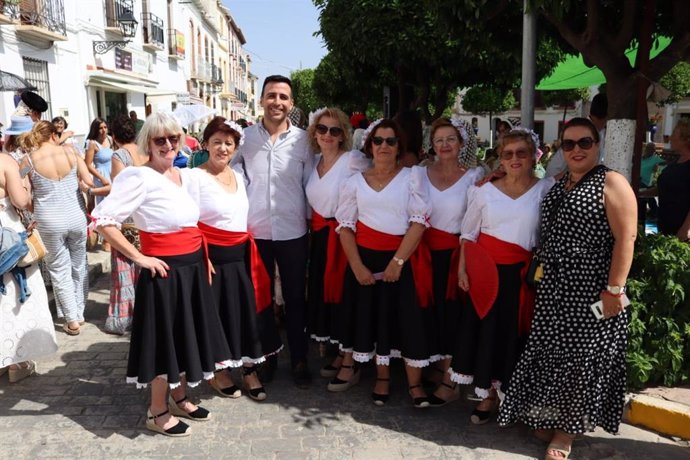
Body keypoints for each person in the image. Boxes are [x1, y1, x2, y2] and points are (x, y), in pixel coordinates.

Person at [498, 118, 637, 460]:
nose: (576, 150)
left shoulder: (612, 182)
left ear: (597, 145)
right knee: (551, 355)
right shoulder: (560, 183)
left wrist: (615, 289)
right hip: (554, 289)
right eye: (569, 144)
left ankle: (566, 433)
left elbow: (626, 238)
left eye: (584, 143)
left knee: (581, 362)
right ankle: (553, 416)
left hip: (591, 290)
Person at [92, 112, 233, 437]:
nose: (168, 145)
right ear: (148, 144)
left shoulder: (182, 175)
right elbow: (103, 220)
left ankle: (179, 395)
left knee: (186, 335)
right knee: (164, 340)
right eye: (160, 140)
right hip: (165, 273)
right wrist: (140, 257)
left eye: (173, 138)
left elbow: (188, 223)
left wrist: (203, 257)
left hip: (192, 269)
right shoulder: (137, 177)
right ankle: (156, 411)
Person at [451, 129, 554, 424]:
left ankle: (511, 398)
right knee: (487, 335)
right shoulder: (482, 190)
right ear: (500, 158)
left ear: (535, 155)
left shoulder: (546, 189)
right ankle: (487, 397)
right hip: (485, 272)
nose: (515, 159)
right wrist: (462, 271)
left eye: (522, 152)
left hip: (522, 276)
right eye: (508, 154)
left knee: (514, 336)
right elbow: (468, 234)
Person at [335, 119, 434, 408]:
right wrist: (356, 266)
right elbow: (345, 227)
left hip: (401, 260)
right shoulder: (353, 182)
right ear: (369, 145)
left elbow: (418, 223)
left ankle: (415, 384)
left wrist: (398, 261)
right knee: (374, 319)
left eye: (391, 141)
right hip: (364, 261)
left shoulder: (413, 177)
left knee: (406, 321)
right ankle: (382, 378)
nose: (384, 146)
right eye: (378, 141)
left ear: (399, 146)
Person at [231, 75, 315, 387]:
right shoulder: (245, 138)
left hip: (294, 231)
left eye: (283, 97)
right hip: (257, 232)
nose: (277, 102)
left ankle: (300, 359)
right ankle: (267, 356)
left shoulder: (304, 141)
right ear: (261, 100)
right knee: (261, 299)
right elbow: (232, 172)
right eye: (271, 95)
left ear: (291, 103)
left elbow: (310, 184)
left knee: (295, 298)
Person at [183, 116, 271, 402]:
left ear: (235, 148)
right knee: (217, 316)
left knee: (244, 314)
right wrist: (199, 257)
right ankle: (219, 373)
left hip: (240, 256)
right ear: (205, 144)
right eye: (217, 142)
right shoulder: (194, 177)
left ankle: (248, 370)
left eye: (229, 143)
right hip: (211, 258)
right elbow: (187, 221)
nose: (223, 148)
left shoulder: (239, 176)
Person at [417, 117, 484, 407]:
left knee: (452, 317)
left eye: (450, 139)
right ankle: (436, 367)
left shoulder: (474, 176)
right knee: (428, 313)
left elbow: (477, 221)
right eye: (439, 140)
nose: (444, 145)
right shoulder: (419, 173)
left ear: (461, 144)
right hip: (423, 253)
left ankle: (451, 380)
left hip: (456, 255)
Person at [302, 107, 364, 390]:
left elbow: (385, 175)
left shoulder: (352, 160)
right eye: (322, 129)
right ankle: (341, 353)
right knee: (328, 298)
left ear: (343, 136)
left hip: (345, 239)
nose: (328, 135)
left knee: (347, 298)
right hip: (321, 240)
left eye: (335, 130)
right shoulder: (312, 163)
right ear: (315, 133)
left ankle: (351, 362)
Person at [23, 121, 96, 336]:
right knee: (79, 264)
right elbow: (88, 180)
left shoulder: (27, 160)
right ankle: (79, 313)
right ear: (54, 135)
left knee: (58, 269)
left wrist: (34, 207)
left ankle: (71, 319)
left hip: (48, 220)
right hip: (76, 215)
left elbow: (23, 194)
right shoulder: (71, 151)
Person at [0, 151, 58, 383]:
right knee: (14, 297)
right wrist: (25, 183)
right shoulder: (5, 160)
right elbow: (20, 201)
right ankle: (17, 361)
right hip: (6, 232)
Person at [101, 114, 145, 335]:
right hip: (144, 217)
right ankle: (146, 312)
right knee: (142, 267)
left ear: (114, 136)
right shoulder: (143, 151)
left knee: (125, 268)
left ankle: (127, 315)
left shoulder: (119, 154)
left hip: (127, 218)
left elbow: (119, 188)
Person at [546, 93, 607, 177]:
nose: (577, 149)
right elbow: (555, 168)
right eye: (585, 143)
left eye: (585, 143)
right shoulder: (578, 130)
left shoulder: (603, 132)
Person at [656, 120, 690, 240]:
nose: (670, 138)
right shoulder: (676, 162)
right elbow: (666, 187)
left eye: (674, 134)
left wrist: (686, 229)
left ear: (686, 139)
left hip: (682, 232)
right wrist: (640, 193)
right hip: (666, 227)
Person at [84, 117, 114, 206]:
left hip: (112, 172)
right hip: (102, 175)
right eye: (100, 128)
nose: (103, 130)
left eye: (105, 127)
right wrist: (102, 178)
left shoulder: (110, 139)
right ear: (96, 129)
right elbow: (88, 165)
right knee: (105, 204)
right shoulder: (92, 143)